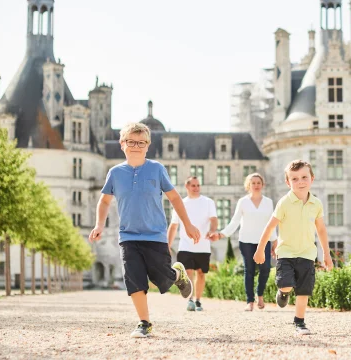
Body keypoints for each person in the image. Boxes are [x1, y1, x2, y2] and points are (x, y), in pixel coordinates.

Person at [89, 122, 200, 339]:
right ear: (122, 144)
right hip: (128, 236)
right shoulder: (115, 173)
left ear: (148, 145)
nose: (136, 146)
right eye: (131, 142)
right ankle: (144, 322)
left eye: (141, 143)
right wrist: (99, 224)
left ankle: (177, 274)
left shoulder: (157, 169)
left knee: (161, 279)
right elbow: (104, 201)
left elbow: (175, 198)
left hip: (155, 235)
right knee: (134, 279)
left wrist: (187, 224)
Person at [254, 159, 334, 335]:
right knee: (286, 284)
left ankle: (299, 322)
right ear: (287, 182)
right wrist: (260, 249)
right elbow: (270, 226)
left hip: (307, 254)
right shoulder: (284, 202)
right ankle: (283, 293)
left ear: (312, 179)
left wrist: (326, 255)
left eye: (304, 177)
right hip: (286, 253)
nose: (300, 182)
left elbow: (321, 229)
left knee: (304, 291)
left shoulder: (316, 204)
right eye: (295, 179)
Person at [212, 173, 277, 311]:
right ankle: (250, 301)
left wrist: (274, 240)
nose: (256, 185)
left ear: (262, 185)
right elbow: (235, 221)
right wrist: (222, 233)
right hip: (246, 240)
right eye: (253, 183)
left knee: (265, 268)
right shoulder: (243, 202)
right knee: (250, 270)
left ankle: (259, 294)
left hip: (263, 241)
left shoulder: (268, 202)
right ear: (248, 185)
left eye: (258, 182)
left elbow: (272, 223)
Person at [168, 176, 218, 312]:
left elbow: (214, 220)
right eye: (193, 186)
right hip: (185, 245)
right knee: (188, 272)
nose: (196, 188)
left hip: (203, 245)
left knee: (201, 274)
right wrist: (167, 245)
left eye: (198, 185)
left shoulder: (208, 202)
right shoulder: (180, 203)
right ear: (187, 187)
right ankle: (189, 299)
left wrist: (212, 231)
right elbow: (173, 226)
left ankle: (198, 300)